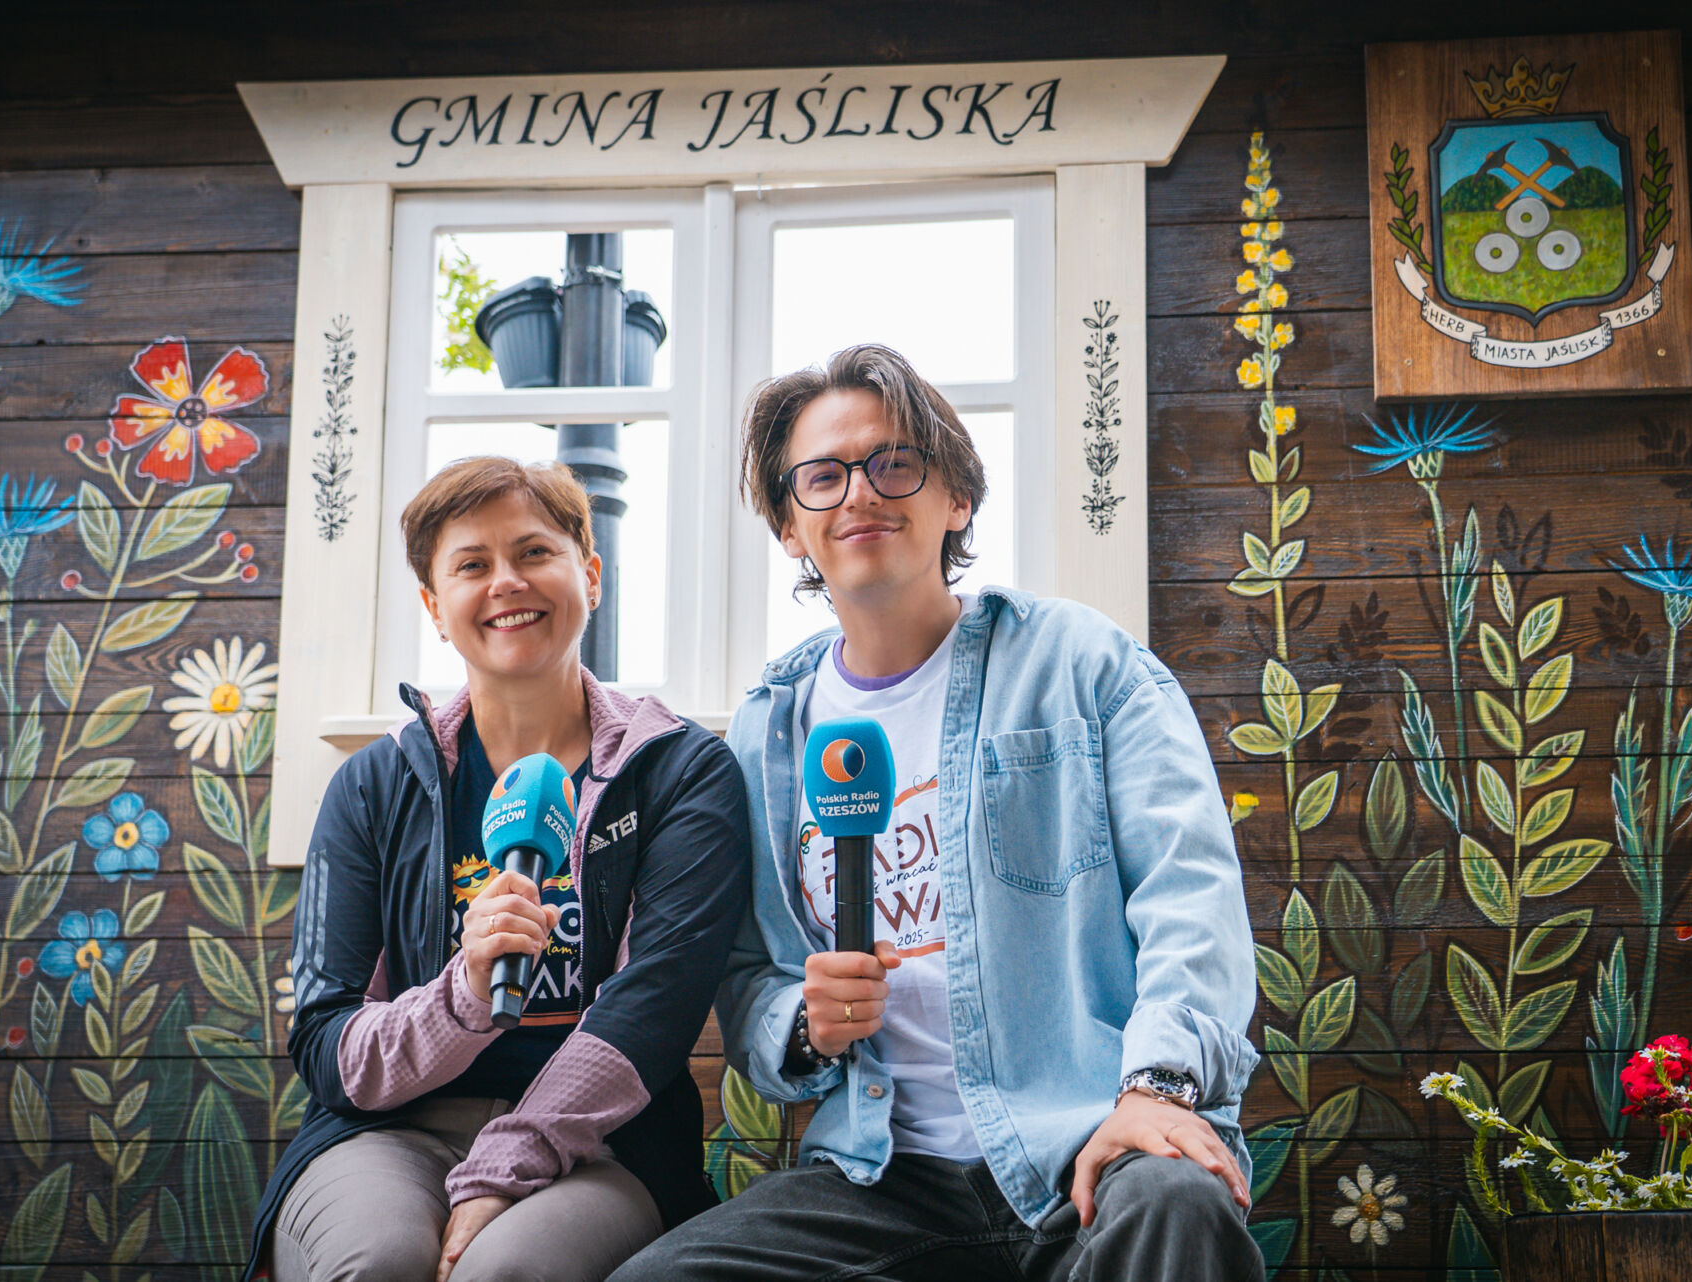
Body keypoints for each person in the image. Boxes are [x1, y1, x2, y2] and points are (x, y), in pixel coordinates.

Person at [614, 345, 1265, 1281]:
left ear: (956, 497)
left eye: (894, 463)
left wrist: (1155, 1090)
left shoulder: (1082, 663)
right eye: (823, 477)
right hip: (878, 1177)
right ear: (791, 526)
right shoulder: (767, 732)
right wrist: (805, 1023)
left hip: (1092, 1135)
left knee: (1176, 1203)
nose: (859, 493)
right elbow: (751, 973)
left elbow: (1189, 891)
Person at [247, 457, 751, 1282]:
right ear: (434, 608)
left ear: (591, 574)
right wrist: (466, 994)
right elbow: (327, 1045)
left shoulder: (679, 772)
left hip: (604, 1147)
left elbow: (652, 1012)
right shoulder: (373, 787)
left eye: (534, 552)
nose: (506, 582)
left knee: (505, 1271)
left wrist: (500, 1167)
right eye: (472, 565)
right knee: (378, 1261)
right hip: (385, 1134)